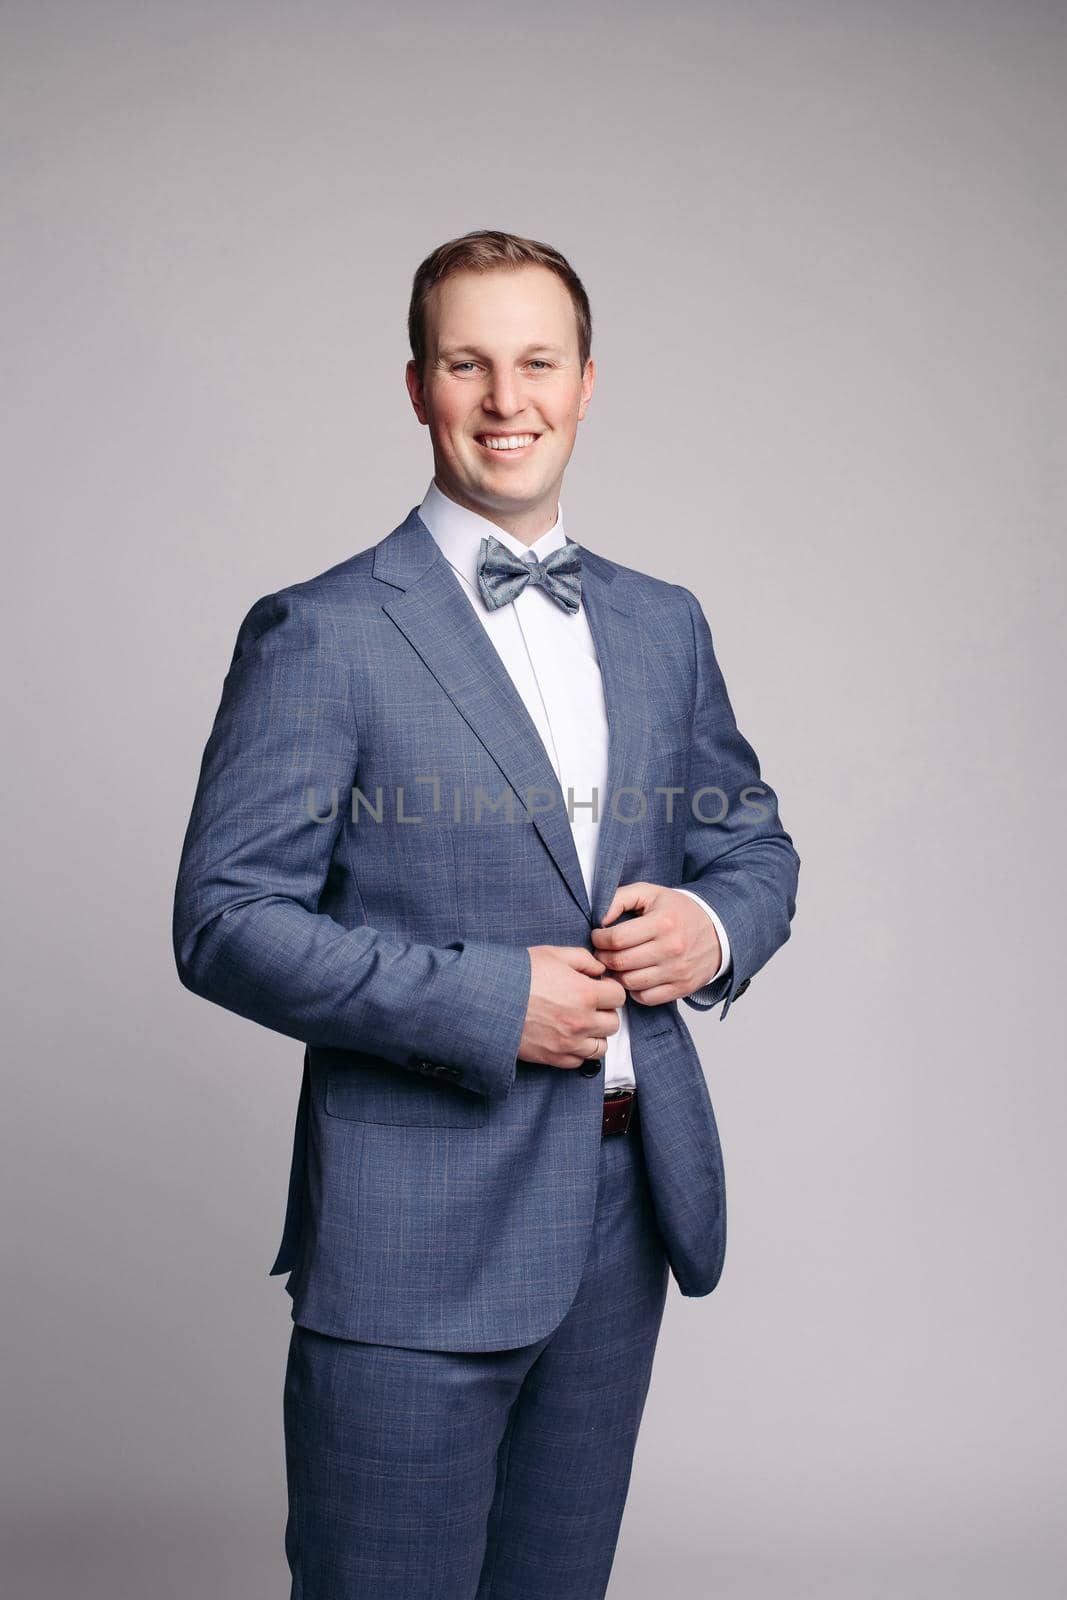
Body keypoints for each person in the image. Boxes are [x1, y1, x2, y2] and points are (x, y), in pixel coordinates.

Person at [172, 228, 800, 1599]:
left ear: (586, 384)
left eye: (536, 362)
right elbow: (222, 917)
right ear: (418, 388)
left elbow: (750, 849)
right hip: (414, 1220)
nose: (506, 398)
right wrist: (485, 999)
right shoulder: (324, 630)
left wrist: (717, 930)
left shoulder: (661, 623)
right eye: (469, 363)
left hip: (626, 1204)